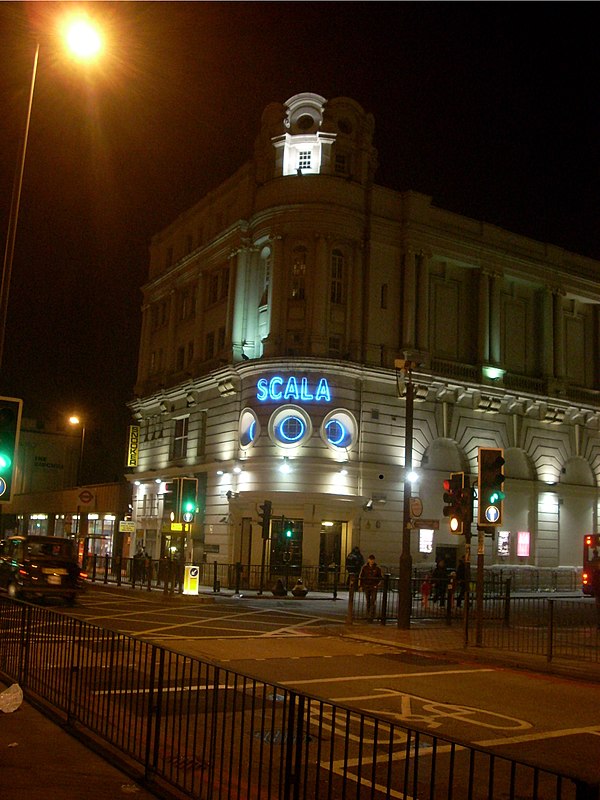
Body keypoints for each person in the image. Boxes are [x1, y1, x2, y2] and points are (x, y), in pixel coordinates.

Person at [359, 554, 383, 620]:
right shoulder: (365, 568)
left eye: (372, 560)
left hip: (373, 586)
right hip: (367, 586)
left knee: (373, 600)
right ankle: (368, 613)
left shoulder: (377, 568)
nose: (371, 561)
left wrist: (377, 585)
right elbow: (361, 577)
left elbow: (380, 577)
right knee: (368, 600)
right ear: (368, 560)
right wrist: (361, 585)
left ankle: (371, 614)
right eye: (370, 560)